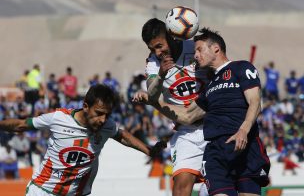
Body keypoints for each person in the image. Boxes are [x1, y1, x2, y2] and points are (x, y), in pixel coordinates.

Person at [135, 28, 270, 196]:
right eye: (195, 51)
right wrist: (153, 102)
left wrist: (243, 129)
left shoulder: (241, 67)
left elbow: (256, 102)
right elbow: (187, 116)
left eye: (199, 50)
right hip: (212, 148)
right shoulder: (208, 88)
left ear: (215, 48)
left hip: (243, 144)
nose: (196, 55)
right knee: (184, 186)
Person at [0, 84, 163, 196]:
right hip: (43, 190)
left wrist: (148, 150)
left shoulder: (107, 125)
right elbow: (21, 125)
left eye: (107, 114)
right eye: (99, 113)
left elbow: (122, 135)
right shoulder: (58, 118)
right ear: (85, 106)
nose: (102, 120)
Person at [141, 18, 209, 196]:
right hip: (185, 131)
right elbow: (152, 95)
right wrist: (161, 75)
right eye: (151, 49)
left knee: (216, 185)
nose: (157, 52)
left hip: (213, 125)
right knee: (180, 188)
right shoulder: (153, 63)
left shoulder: (194, 46)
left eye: (159, 45)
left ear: (170, 36)